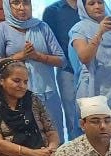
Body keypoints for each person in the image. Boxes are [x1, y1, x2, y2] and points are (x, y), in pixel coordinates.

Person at [0, 0, 66, 136]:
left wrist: (37, 56)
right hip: (18, 95)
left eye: (26, 3)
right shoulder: (1, 29)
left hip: (47, 93)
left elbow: (62, 60)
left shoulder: (42, 27)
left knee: (55, 134)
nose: (22, 7)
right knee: (28, 137)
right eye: (16, 3)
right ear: (8, 6)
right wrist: (20, 56)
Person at [69, 0, 111, 111]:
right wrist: (100, 32)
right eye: (91, 4)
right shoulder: (79, 29)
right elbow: (85, 58)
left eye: (100, 2)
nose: (97, 6)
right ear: (83, 7)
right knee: (97, 120)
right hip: (93, 86)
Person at [41, 0, 82, 138]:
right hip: (67, 69)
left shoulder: (89, 5)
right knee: (72, 114)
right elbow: (49, 43)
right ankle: (75, 147)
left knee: (95, 111)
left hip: (93, 69)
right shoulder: (52, 11)